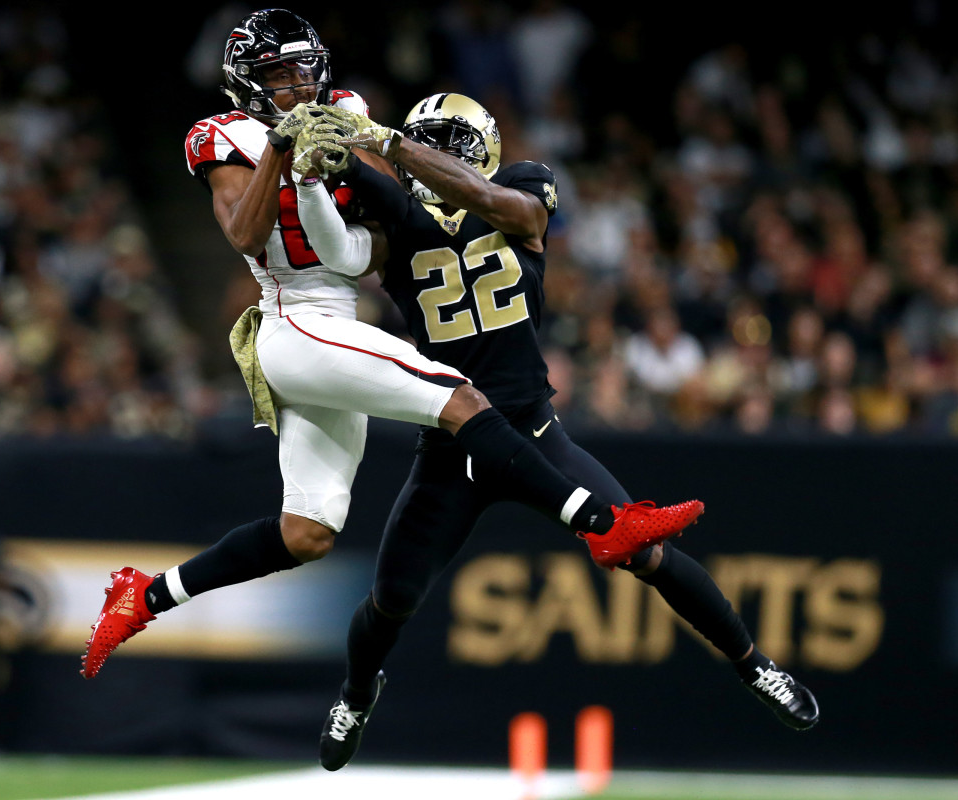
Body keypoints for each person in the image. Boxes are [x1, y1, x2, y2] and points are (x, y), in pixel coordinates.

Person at [79, 9, 704, 682]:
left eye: (301, 69)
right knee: (459, 397)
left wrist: (351, 150)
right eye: (278, 75)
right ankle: (603, 522)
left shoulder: (344, 108)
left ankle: (144, 595)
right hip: (295, 319)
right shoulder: (220, 137)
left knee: (307, 533)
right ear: (248, 84)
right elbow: (244, 234)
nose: (296, 84)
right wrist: (284, 151)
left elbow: (388, 209)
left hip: (339, 305)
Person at [289, 92, 820, 770]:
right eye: (430, 142)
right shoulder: (393, 210)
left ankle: (754, 665)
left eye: (449, 142)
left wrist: (390, 144)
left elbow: (513, 212)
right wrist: (320, 160)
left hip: (531, 430)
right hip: (452, 443)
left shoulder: (518, 189)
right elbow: (332, 225)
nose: (438, 155)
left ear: (482, 146)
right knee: (392, 598)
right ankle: (357, 693)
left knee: (642, 548)